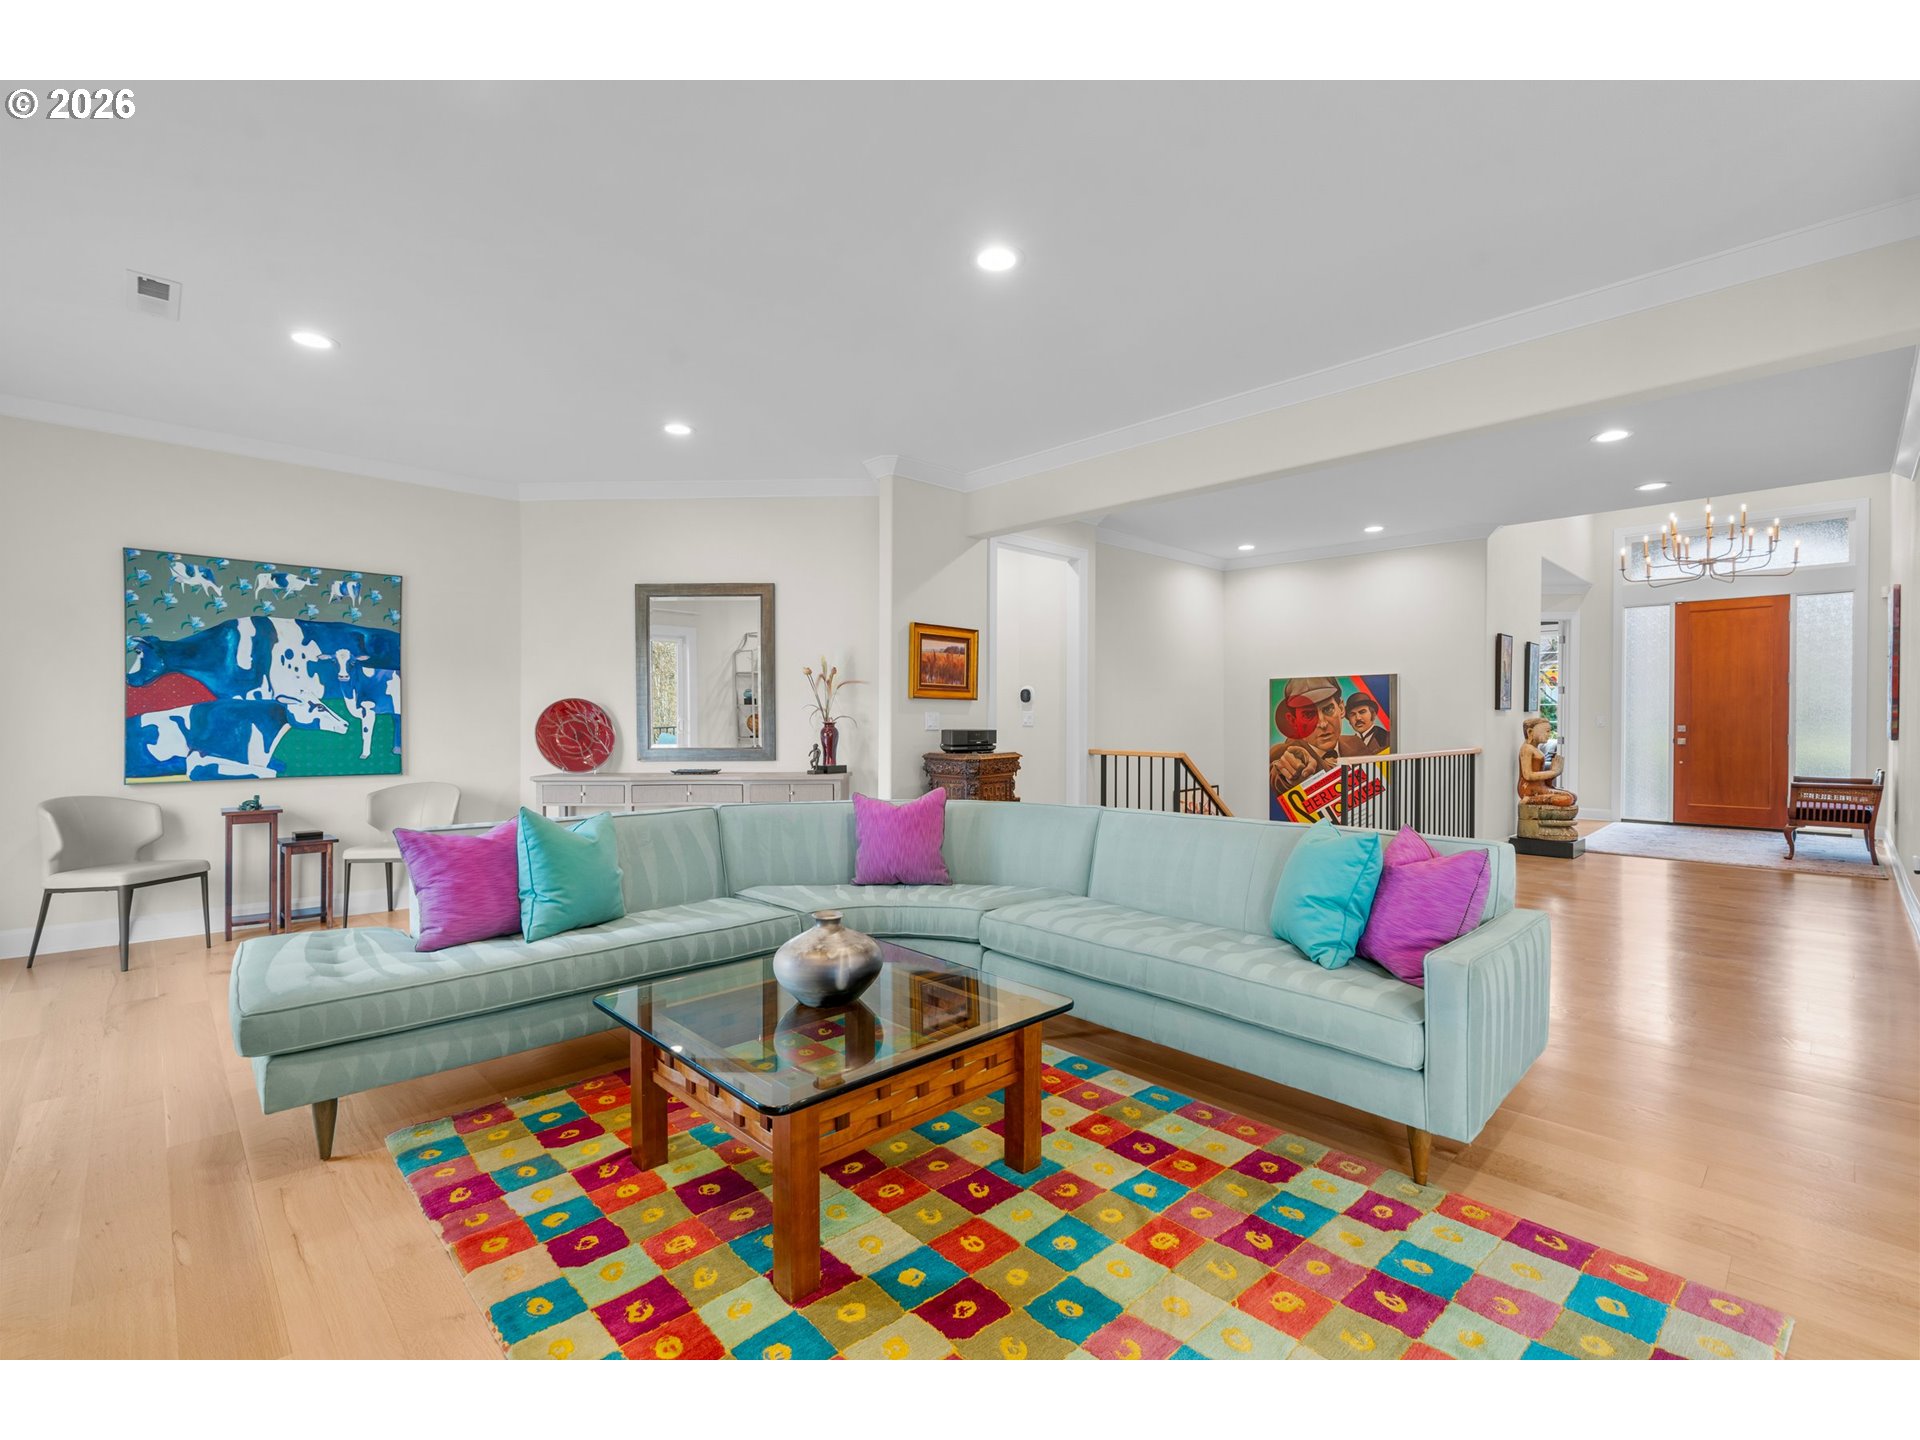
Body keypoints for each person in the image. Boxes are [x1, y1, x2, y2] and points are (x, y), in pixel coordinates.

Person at [1270, 676, 1345, 793]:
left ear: (1341, 708)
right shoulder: (1284, 753)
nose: (1323, 723)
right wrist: (1289, 777)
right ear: (1293, 721)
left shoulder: (1356, 742)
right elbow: (1277, 775)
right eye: (1308, 715)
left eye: (1328, 709)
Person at [1517, 714, 1576, 806]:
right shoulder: (1526, 749)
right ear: (1530, 732)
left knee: (1573, 796)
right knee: (1568, 799)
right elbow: (1528, 775)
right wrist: (1553, 772)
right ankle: (1529, 799)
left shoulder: (1536, 749)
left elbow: (1542, 780)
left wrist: (1554, 772)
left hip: (1540, 787)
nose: (1549, 734)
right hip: (1529, 789)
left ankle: (1533, 798)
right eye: (1546, 731)